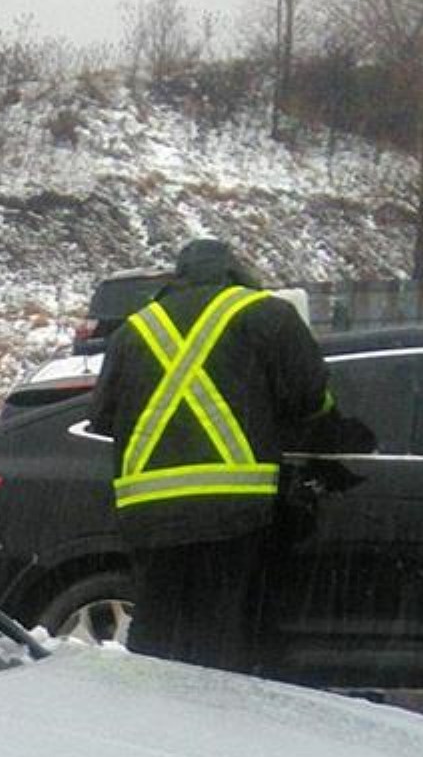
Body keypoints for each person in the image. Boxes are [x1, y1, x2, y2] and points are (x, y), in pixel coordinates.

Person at [87, 237, 332, 671]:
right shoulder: (267, 315)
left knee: (157, 634)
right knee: (219, 633)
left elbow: (103, 417)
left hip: (149, 509)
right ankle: (211, 723)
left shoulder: (135, 329)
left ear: (176, 278)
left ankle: (146, 720)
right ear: (235, 272)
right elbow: (310, 399)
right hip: (231, 508)